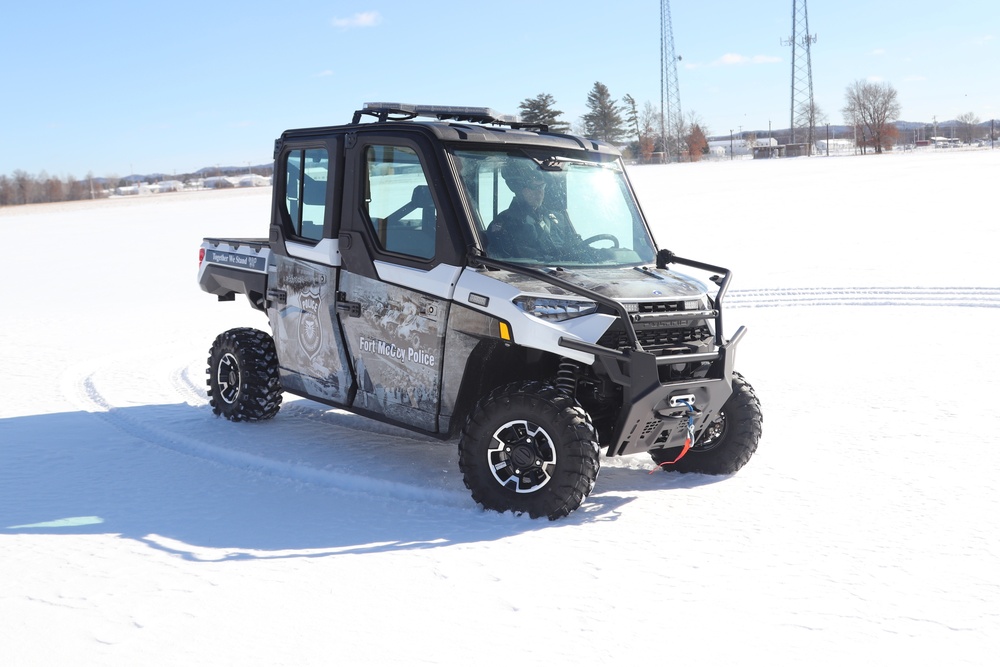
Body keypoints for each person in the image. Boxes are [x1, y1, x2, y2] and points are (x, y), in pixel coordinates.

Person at [486, 159, 592, 261]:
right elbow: (521, 263)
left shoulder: (557, 218)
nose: (540, 192)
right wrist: (562, 259)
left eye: (542, 186)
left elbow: (578, 247)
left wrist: (604, 254)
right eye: (533, 187)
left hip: (566, 274)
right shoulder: (505, 225)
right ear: (519, 188)